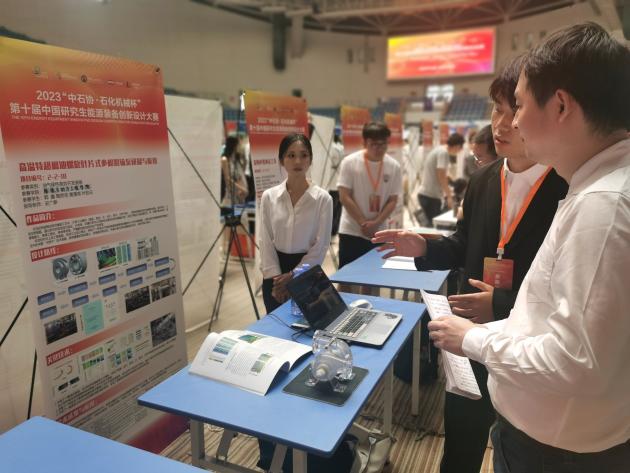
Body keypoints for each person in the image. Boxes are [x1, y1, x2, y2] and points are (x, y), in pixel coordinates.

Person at [426, 23, 630, 472]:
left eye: (517, 105)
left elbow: (577, 361)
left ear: (560, 105)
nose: (511, 123)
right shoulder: (593, 186)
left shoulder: (602, 205)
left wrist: (474, 337)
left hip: (555, 449)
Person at [374, 53, 568, 473]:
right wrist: (424, 248)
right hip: (468, 332)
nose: (502, 125)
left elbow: (565, 289)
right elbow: (465, 244)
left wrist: (500, 304)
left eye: (514, 111)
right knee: (461, 437)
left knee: (517, 444)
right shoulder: (483, 179)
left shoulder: (566, 187)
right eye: (496, 110)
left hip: (527, 343)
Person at [258, 133, 332, 314]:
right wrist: (278, 280)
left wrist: (293, 276)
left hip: (308, 272)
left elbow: (321, 245)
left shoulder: (323, 199)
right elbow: (265, 240)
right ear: (281, 160)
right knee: (274, 326)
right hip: (275, 277)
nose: (297, 161)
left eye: (303, 155)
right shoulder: (269, 197)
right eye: (291, 155)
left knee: (307, 326)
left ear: (310, 160)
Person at [337, 122, 402, 273]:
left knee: (375, 275)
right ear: (365, 142)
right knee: (347, 275)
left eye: (383, 144)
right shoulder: (350, 162)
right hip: (352, 230)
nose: (379, 149)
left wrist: (376, 223)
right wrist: (363, 223)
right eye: (374, 144)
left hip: (379, 231)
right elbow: (344, 196)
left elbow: (392, 200)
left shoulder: (394, 166)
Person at [417, 133, 464, 222]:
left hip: (427, 195)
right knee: (436, 226)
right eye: (460, 148)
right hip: (430, 196)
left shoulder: (439, 150)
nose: (459, 151)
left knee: (433, 225)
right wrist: (449, 196)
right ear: (457, 146)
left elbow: (442, 174)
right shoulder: (444, 153)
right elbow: (441, 175)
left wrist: (450, 181)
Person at [220, 135, 248, 207]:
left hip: (240, 194)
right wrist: (241, 189)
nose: (240, 147)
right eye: (239, 144)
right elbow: (227, 179)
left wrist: (243, 189)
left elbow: (240, 176)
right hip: (231, 194)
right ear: (234, 146)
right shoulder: (225, 159)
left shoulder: (236, 160)